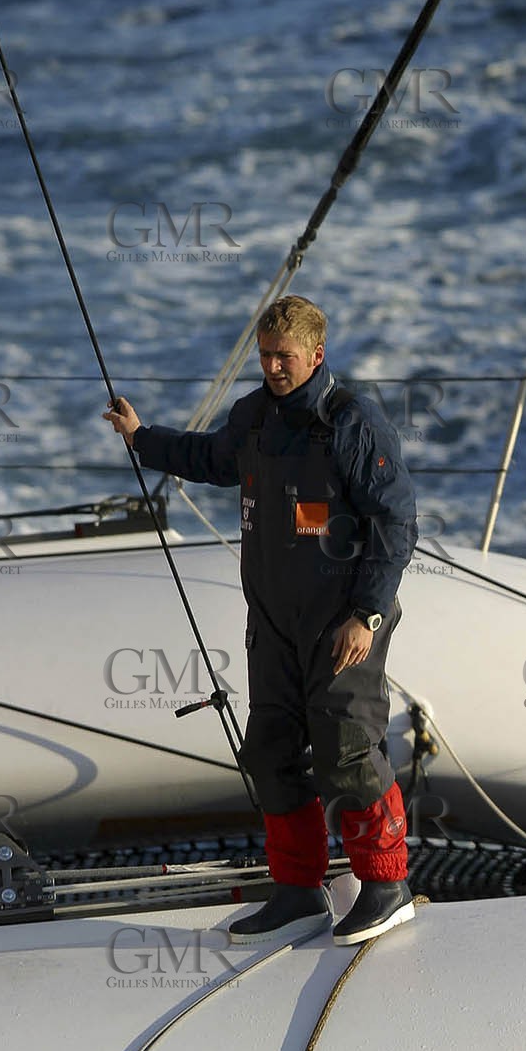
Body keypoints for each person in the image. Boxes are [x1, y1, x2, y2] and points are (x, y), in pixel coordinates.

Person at [103, 295, 418, 945]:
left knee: (348, 748)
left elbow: (396, 523)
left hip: (342, 621)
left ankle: (387, 886)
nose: (273, 367)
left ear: (316, 356)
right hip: (273, 620)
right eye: (266, 356)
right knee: (271, 751)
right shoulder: (252, 417)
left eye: (285, 357)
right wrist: (141, 437)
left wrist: (367, 614)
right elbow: (211, 460)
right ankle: (299, 891)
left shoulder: (352, 421)